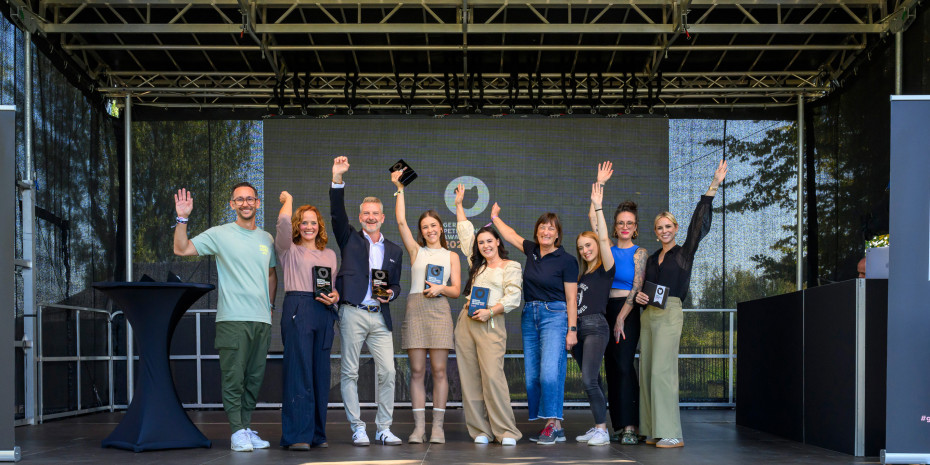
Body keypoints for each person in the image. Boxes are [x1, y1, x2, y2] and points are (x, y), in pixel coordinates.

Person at [173, 182, 277, 452]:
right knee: (234, 378)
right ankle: (236, 432)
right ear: (232, 204)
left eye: (250, 199)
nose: (245, 203)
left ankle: (244, 426)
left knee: (254, 379)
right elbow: (181, 249)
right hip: (232, 319)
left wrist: (270, 306)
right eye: (239, 199)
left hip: (261, 321)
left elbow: (270, 274)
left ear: (257, 202)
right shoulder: (220, 234)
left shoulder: (266, 239)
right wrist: (182, 217)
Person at [634, 159, 729, 449]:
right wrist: (639, 298)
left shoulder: (683, 253)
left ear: (675, 228)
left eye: (668, 226)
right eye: (659, 228)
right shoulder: (651, 259)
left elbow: (698, 223)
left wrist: (713, 187)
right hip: (648, 315)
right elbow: (644, 289)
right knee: (648, 370)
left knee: (663, 371)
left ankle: (672, 432)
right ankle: (652, 429)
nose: (664, 231)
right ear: (655, 231)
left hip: (670, 313)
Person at [330, 156, 404, 446]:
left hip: (380, 315)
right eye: (366, 213)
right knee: (349, 372)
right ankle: (357, 427)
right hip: (352, 313)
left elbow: (396, 284)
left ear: (383, 217)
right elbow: (337, 213)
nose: (371, 217)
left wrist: (392, 294)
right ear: (360, 217)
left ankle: (383, 428)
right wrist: (338, 178)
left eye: (376, 213)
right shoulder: (349, 238)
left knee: (388, 371)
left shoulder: (395, 250)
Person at [492, 203, 579, 445]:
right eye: (542, 228)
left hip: (556, 315)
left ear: (558, 233)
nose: (546, 232)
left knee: (551, 370)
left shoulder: (567, 260)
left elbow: (572, 298)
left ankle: (551, 424)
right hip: (530, 314)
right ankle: (556, 426)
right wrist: (495, 218)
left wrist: (572, 329)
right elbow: (510, 235)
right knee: (533, 374)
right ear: (537, 232)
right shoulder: (531, 251)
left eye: (551, 229)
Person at [390, 169, 461, 444]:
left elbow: (456, 290)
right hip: (416, 308)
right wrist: (400, 188)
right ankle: (419, 427)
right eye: (424, 227)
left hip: (440, 309)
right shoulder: (416, 251)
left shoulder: (451, 255)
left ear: (441, 227)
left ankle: (438, 427)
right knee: (417, 371)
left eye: (433, 225)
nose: (429, 230)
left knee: (440, 371)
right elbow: (399, 220)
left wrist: (441, 288)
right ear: (421, 232)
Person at [454, 184, 523, 446]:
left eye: (489, 241)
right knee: (470, 378)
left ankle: (506, 431)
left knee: (493, 377)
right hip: (467, 322)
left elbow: (513, 297)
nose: (484, 245)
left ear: (498, 242)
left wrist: (491, 311)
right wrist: (460, 205)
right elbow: (465, 233)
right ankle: (480, 430)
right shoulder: (476, 264)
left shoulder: (510, 265)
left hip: (491, 322)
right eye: (481, 242)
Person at [275, 191, 340, 451]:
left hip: (324, 312)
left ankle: (316, 433)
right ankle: (297, 436)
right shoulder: (288, 249)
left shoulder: (330, 255)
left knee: (320, 374)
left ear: (319, 226)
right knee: (298, 371)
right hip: (298, 308)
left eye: (313, 222)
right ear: (297, 226)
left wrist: (336, 296)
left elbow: (333, 287)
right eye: (304, 222)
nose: (309, 227)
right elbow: (281, 226)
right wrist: (289, 202)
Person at [589, 175, 648, 446]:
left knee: (624, 366)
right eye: (621, 223)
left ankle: (631, 426)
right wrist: (598, 192)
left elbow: (636, 288)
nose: (625, 227)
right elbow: (595, 224)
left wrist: (622, 318)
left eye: (630, 223)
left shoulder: (640, 252)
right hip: (606, 311)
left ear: (635, 227)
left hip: (628, 311)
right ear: (615, 226)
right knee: (611, 368)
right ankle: (618, 425)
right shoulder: (607, 251)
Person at [571, 171, 616, 447]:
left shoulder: (606, 267)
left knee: (589, 379)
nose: (586, 250)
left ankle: (602, 429)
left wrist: (598, 201)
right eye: (581, 247)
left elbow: (600, 236)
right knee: (594, 381)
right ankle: (598, 425)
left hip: (597, 326)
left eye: (588, 245)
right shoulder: (583, 274)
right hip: (579, 329)